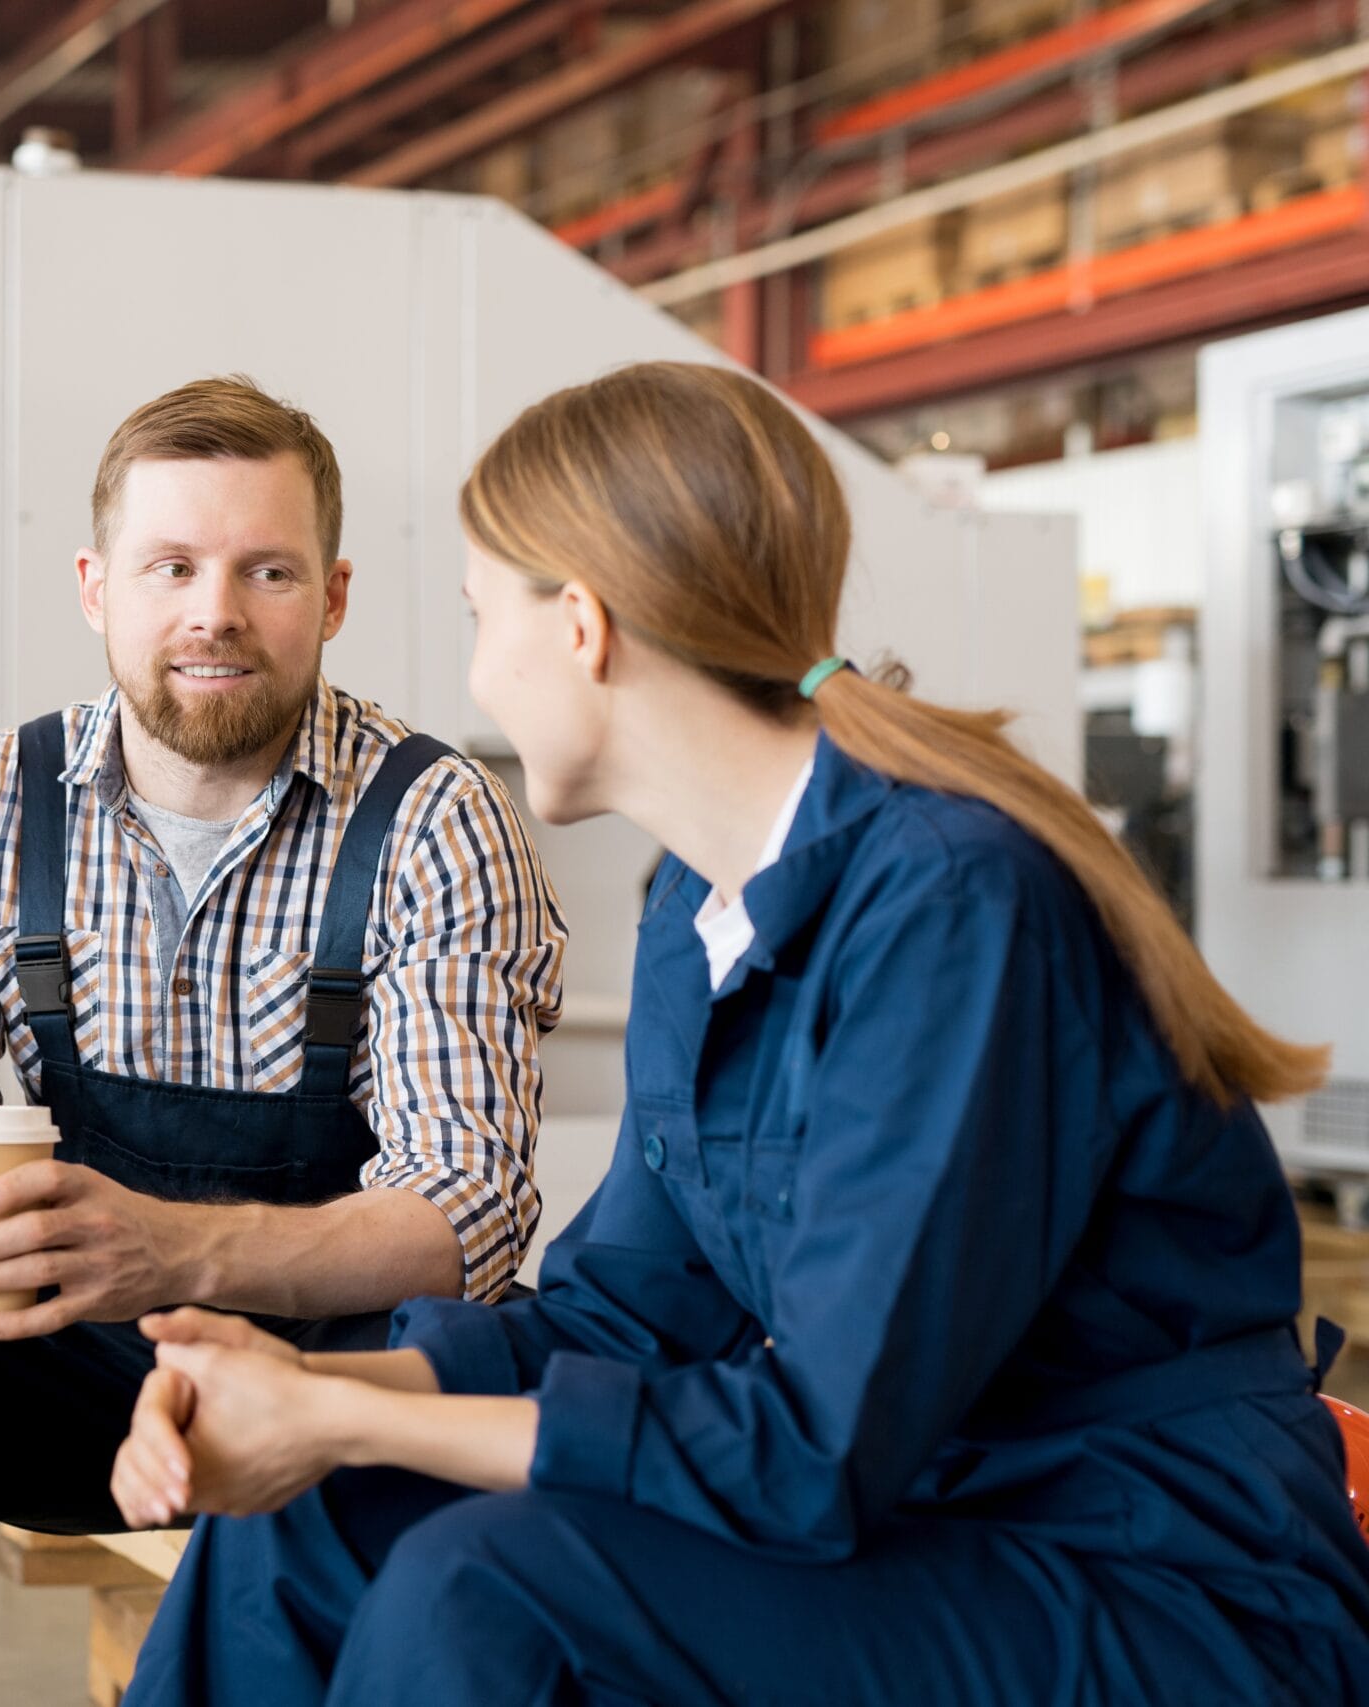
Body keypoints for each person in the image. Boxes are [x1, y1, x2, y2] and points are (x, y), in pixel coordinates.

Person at [109, 361, 1369, 1706]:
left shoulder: (954, 905)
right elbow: (632, 1311)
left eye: (484, 618)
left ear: (583, 628)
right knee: (306, 1523)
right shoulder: (693, 914)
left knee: (485, 1589)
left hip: (1149, 1569)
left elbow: (818, 1451)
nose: (477, 674)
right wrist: (309, 1388)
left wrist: (347, 1414)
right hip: (936, 1517)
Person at [0, 376, 567, 1705]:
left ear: (335, 597)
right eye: (171, 566)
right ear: (96, 586)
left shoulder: (432, 819)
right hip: (61, 1367)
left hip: (327, 1377)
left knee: (490, 1434)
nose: (215, 612)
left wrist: (178, 1249)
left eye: (267, 570)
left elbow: (468, 1218)